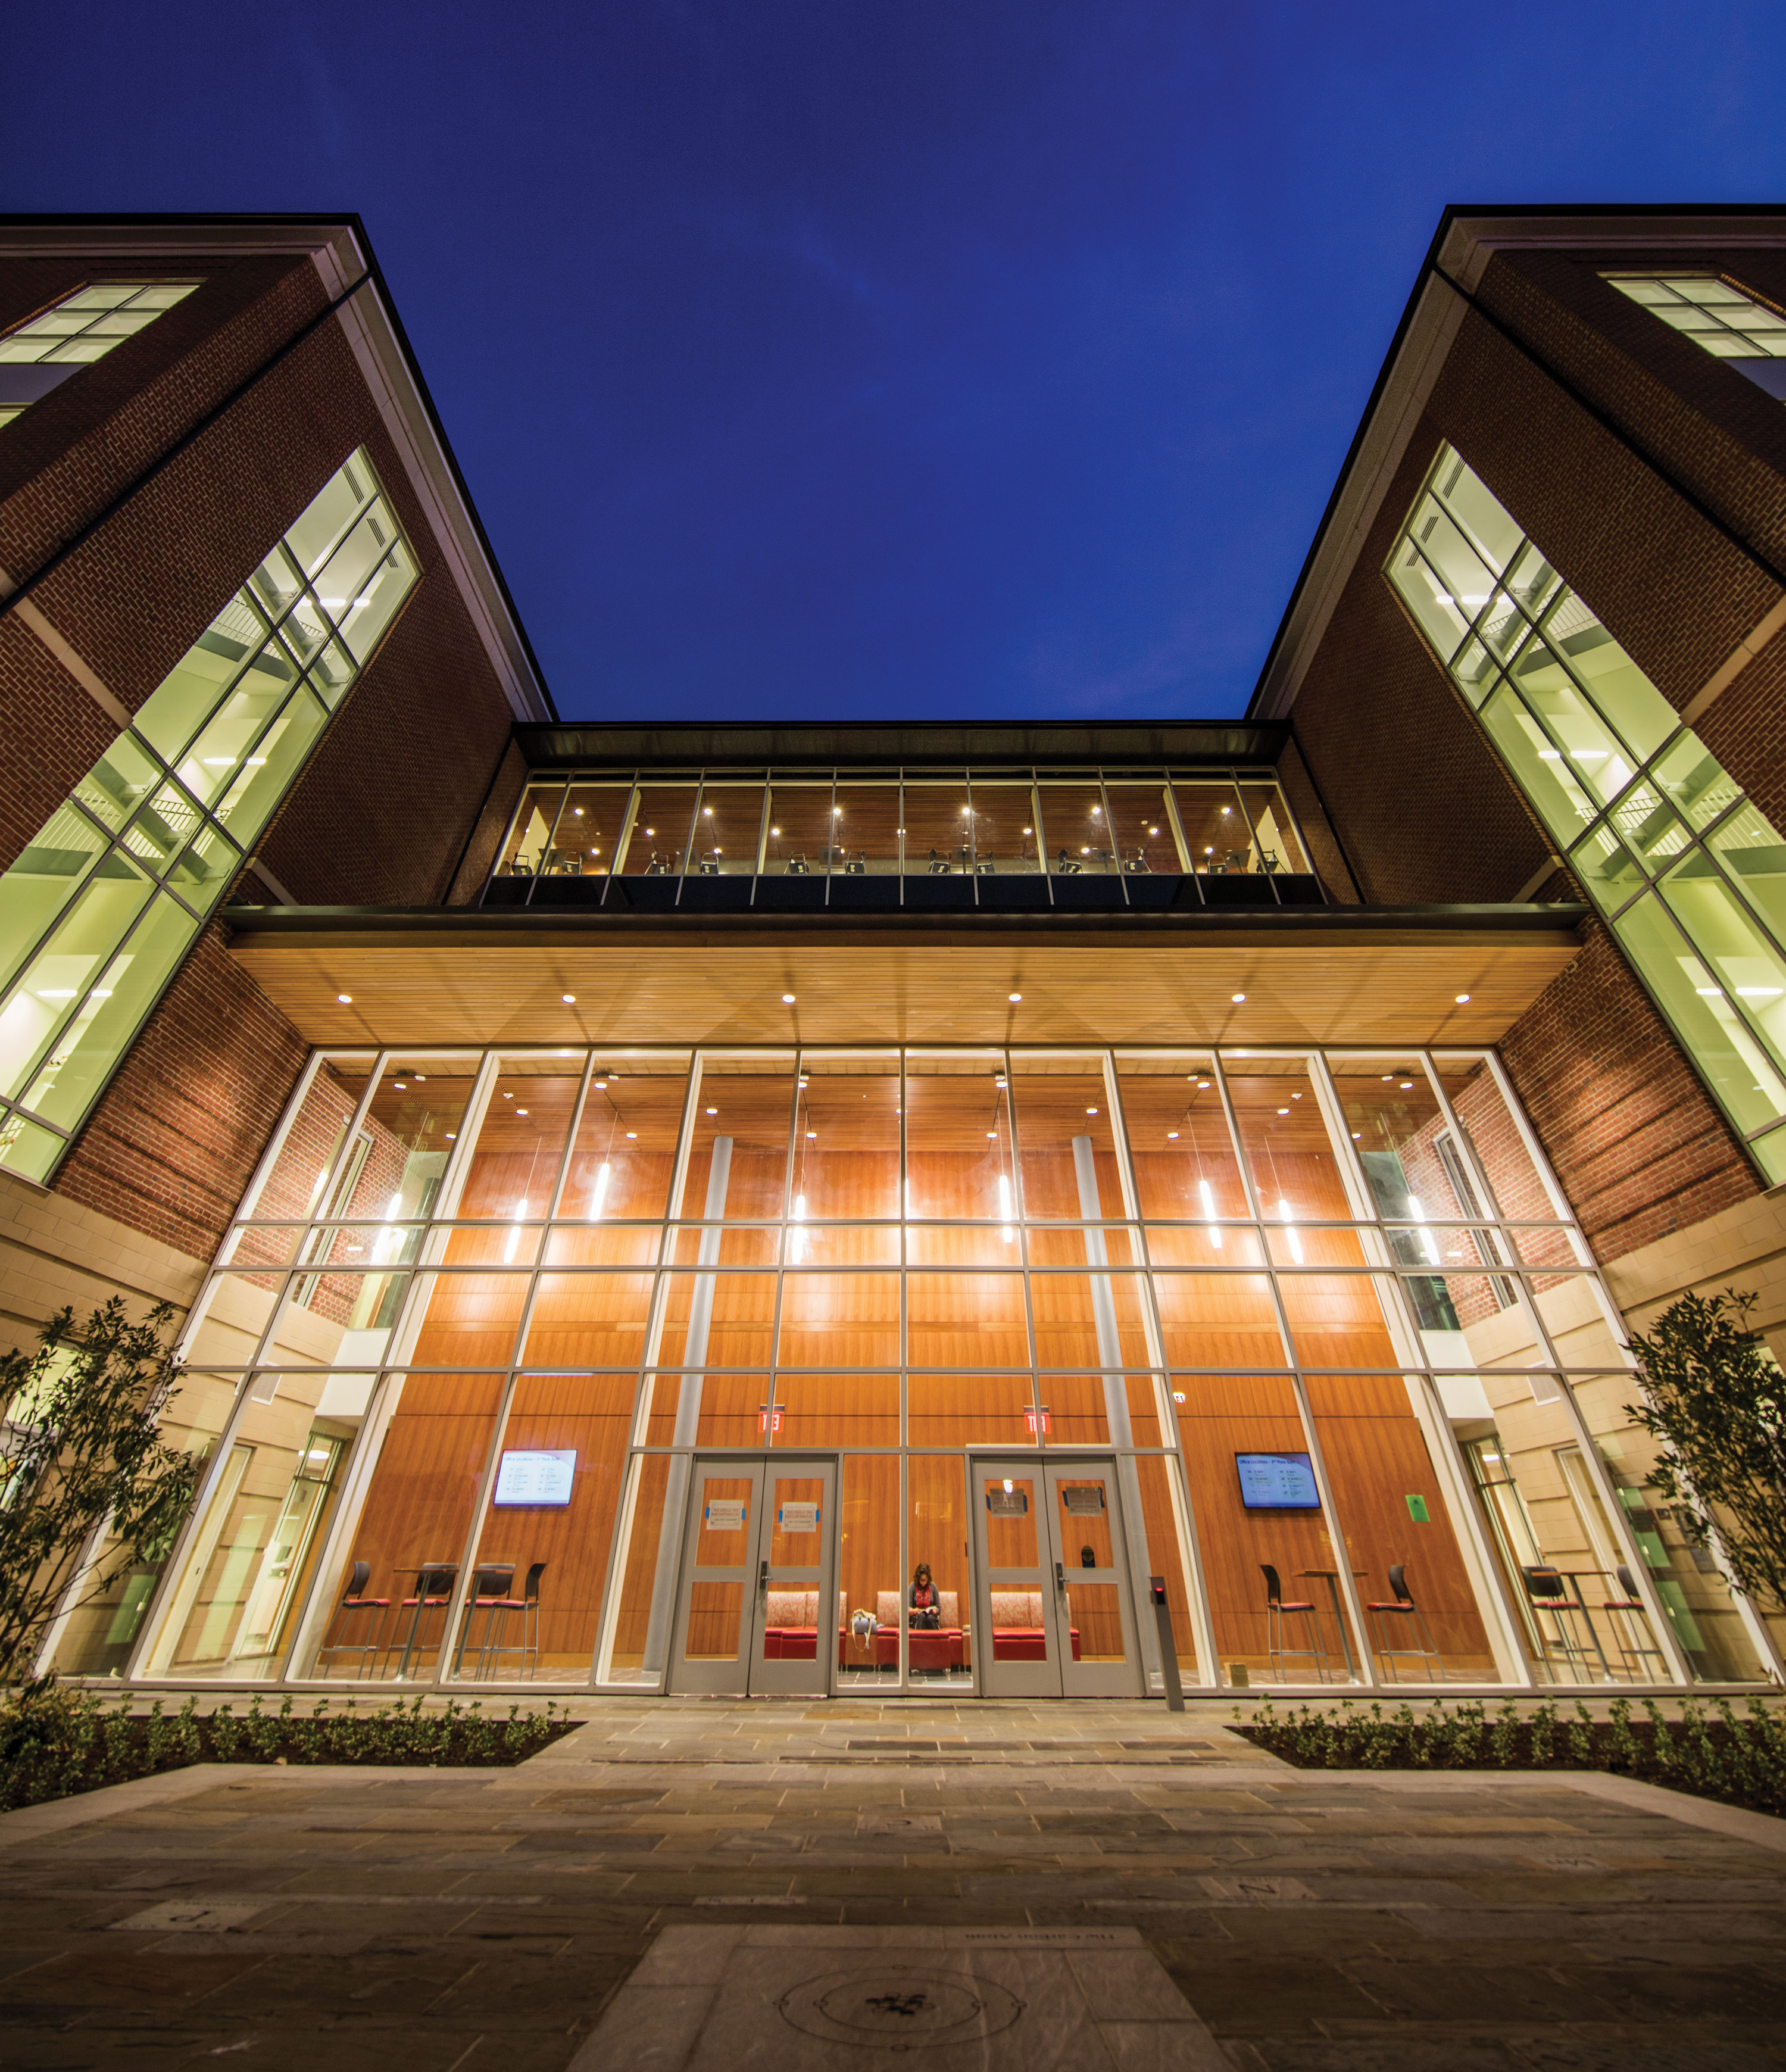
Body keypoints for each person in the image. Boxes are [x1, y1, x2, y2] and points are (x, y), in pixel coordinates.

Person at [909, 1562, 942, 1629]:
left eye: (925, 1580)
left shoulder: (933, 1587)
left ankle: (936, 1639)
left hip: (930, 1615)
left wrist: (935, 1611)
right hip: (917, 1616)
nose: (923, 1583)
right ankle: (918, 1638)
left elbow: (938, 1608)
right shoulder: (913, 1586)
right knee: (922, 1616)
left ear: (928, 1579)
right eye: (921, 1580)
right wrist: (912, 1610)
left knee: (930, 1619)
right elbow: (908, 1607)